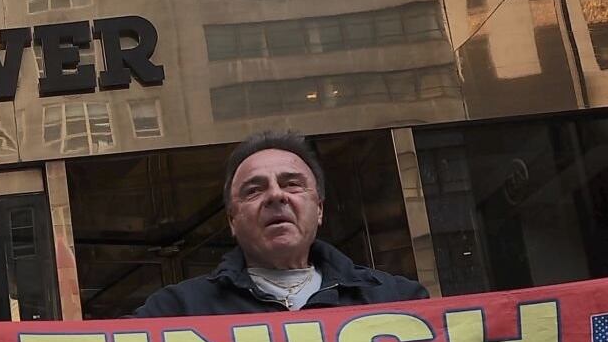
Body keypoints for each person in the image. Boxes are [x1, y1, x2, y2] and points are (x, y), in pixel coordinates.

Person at [134, 131, 427, 317]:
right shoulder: (178, 310)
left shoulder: (396, 300)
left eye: (292, 184)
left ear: (319, 209)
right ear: (232, 220)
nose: (276, 195)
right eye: (254, 190)